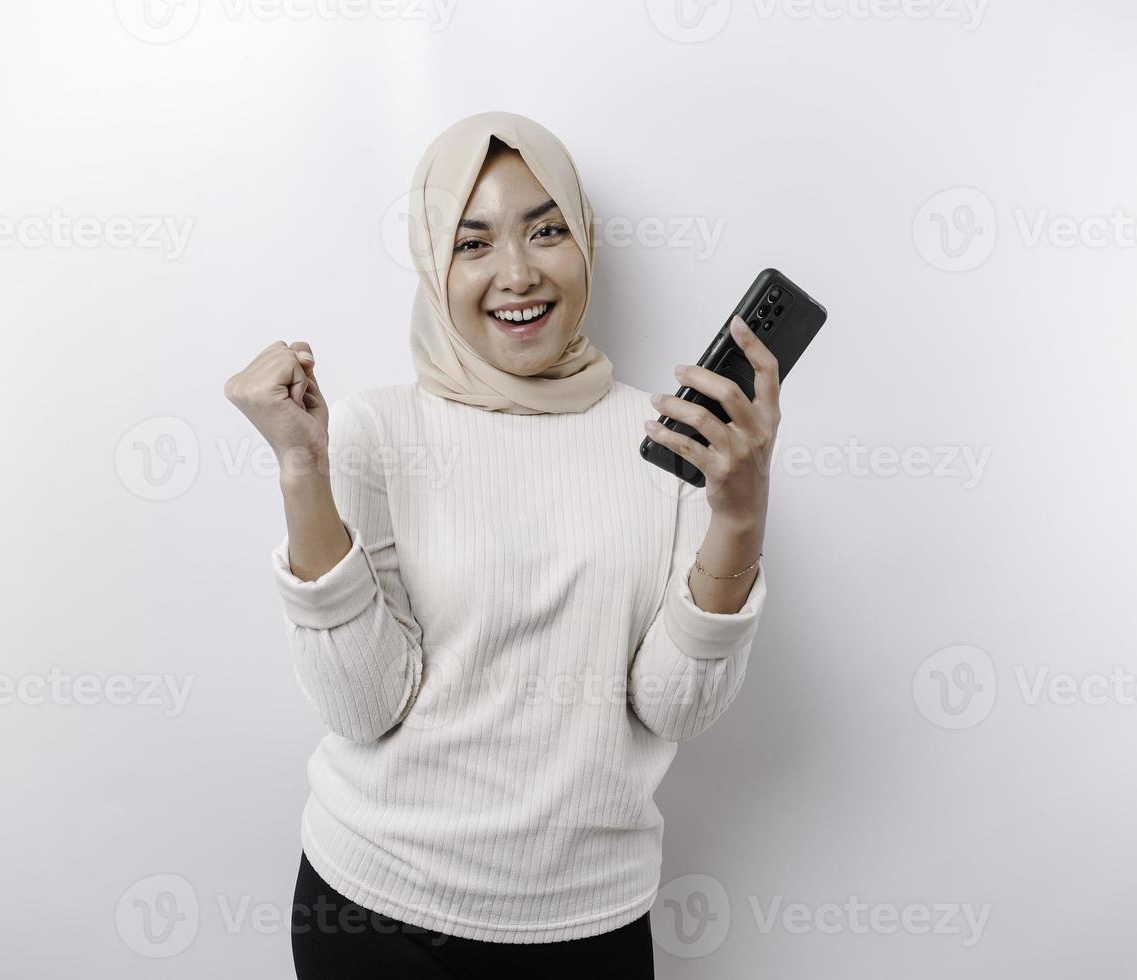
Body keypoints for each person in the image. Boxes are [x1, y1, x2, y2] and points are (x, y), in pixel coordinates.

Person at [223, 110, 779, 979]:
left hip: (591, 920)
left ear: (585, 242)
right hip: (378, 913)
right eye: (472, 243)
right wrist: (304, 469)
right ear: (431, 263)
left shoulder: (666, 440)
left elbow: (674, 708)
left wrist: (739, 520)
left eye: (547, 230)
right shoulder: (370, 431)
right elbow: (362, 706)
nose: (516, 274)